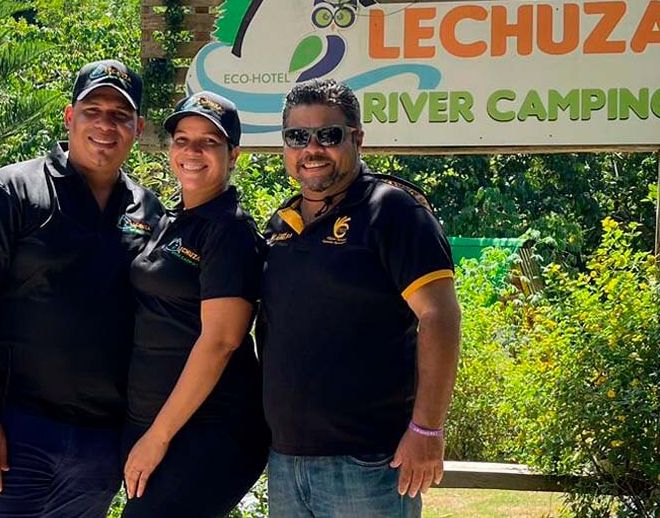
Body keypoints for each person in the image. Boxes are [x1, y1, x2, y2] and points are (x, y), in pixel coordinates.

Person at [0, 60, 164, 517]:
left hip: (100, 445)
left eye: (121, 115)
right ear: (70, 117)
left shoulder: (149, 210)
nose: (106, 124)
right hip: (11, 434)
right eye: (93, 110)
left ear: (138, 127)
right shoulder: (11, 192)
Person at [258, 79, 462, 517]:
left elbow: (441, 317)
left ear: (357, 138)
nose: (312, 148)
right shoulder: (280, 223)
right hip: (286, 461)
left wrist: (427, 429)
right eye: (297, 136)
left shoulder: (393, 211)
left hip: (370, 463)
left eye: (328, 135)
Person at [121, 91, 269, 518]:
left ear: (234, 154)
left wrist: (158, 437)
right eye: (183, 139)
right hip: (163, 425)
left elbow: (221, 341)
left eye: (209, 142)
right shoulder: (171, 221)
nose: (192, 151)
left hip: (211, 430)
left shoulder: (230, 231)